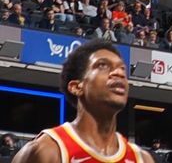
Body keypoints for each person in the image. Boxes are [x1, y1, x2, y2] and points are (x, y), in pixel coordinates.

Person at [12, 40, 153, 163]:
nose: (119, 73)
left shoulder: (142, 158)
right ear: (76, 87)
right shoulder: (47, 150)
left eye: (122, 68)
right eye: (102, 65)